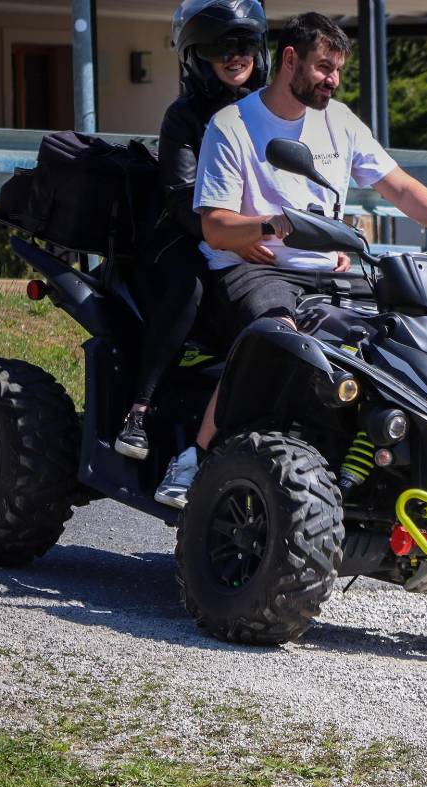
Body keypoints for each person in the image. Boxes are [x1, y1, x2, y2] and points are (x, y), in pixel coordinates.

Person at [154, 10, 427, 507]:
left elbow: (399, 186)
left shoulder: (340, 121)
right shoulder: (233, 126)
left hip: (328, 270)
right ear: (290, 60)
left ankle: (404, 461)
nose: (332, 80)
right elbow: (215, 227)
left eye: (338, 71)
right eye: (323, 67)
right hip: (257, 267)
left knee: (407, 329)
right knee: (273, 335)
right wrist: (273, 224)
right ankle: (196, 460)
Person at [114, 0, 268, 464]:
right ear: (196, 56)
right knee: (191, 284)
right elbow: (181, 198)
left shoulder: (270, 110)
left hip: (257, 231)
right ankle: (140, 408)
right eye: (222, 48)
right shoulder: (183, 116)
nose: (236, 56)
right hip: (184, 232)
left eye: (245, 43)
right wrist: (232, 235)